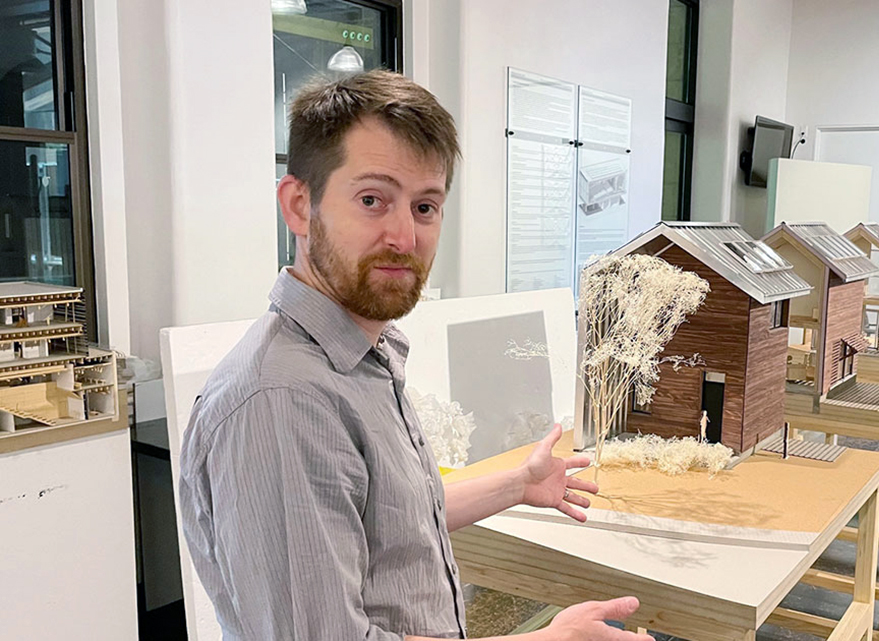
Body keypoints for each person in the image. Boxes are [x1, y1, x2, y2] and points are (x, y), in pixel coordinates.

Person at [177, 70, 650, 641]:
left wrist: (518, 484)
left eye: (425, 207)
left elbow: (389, 519)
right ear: (300, 206)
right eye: (373, 199)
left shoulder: (364, 356)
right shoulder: (283, 400)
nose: (404, 237)